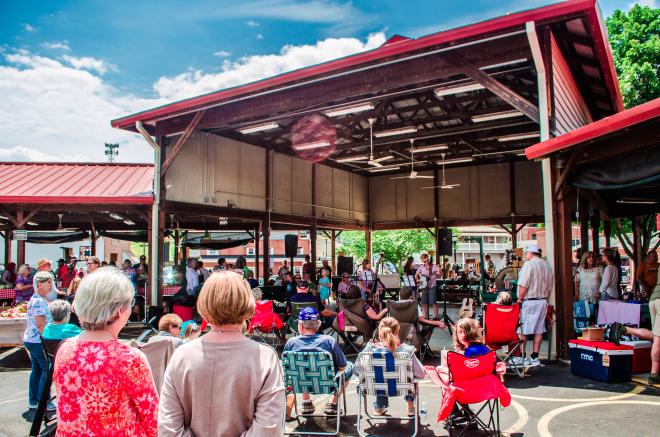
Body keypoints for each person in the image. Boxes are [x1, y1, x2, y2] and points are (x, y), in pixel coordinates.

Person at [159, 271, 285, 436]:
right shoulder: (265, 358)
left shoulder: (181, 356)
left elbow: (168, 429)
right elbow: (269, 430)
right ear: (248, 304)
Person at [54, 267, 158, 436]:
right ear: (119, 311)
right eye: (130, 303)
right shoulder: (129, 358)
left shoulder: (65, 348)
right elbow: (153, 420)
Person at [284, 307, 352, 418]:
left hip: (300, 384)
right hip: (327, 385)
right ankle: (332, 403)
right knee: (350, 366)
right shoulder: (328, 341)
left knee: (301, 367)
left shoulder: (291, 343)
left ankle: (306, 402)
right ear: (318, 324)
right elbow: (342, 366)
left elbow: (287, 368)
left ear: (301, 325)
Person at [358, 317, 425, 416]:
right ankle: (411, 406)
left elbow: (356, 370)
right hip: (402, 387)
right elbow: (421, 374)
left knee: (379, 375)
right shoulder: (406, 351)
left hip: (377, 387)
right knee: (409, 376)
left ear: (379, 332)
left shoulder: (369, 349)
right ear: (397, 332)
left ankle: (379, 406)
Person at [611, 270, 660, 385]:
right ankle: (654, 374)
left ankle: (624, 329)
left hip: (654, 299)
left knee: (655, 334)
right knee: (658, 338)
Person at [515, 244, 553, 367]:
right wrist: (546, 300)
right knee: (539, 330)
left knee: (523, 330)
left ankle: (522, 356)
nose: (526, 255)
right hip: (543, 301)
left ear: (530, 253)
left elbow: (523, 284)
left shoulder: (529, 265)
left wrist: (520, 299)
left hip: (530, 301)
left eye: (527, 253)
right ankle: (535, 356)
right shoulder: (547, 266)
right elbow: (549, 286)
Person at [24, 271, 56, 413]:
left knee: (37, 371)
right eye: (48, 282)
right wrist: (49, 342)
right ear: (39, 284)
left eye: (51, 282)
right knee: (46, 371)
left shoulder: (39, 299)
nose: (51, 285)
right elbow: (41, 326)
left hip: (32, 340)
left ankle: (34, 402)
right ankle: (44, 402)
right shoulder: (38, 301)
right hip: (38, 341)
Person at [416, 253, 439, 319]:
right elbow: (416, 274)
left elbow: (439, 273)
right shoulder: (421, 267)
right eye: (424, 261)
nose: (425, 262)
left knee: (433, 302)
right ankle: (425, 317)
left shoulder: (433, 266)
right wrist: (418, 279)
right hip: (424, 286)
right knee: (424, 302)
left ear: (428, 259)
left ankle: (436, 317)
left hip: (432, 286)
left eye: (426, 261)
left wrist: (439, 269)